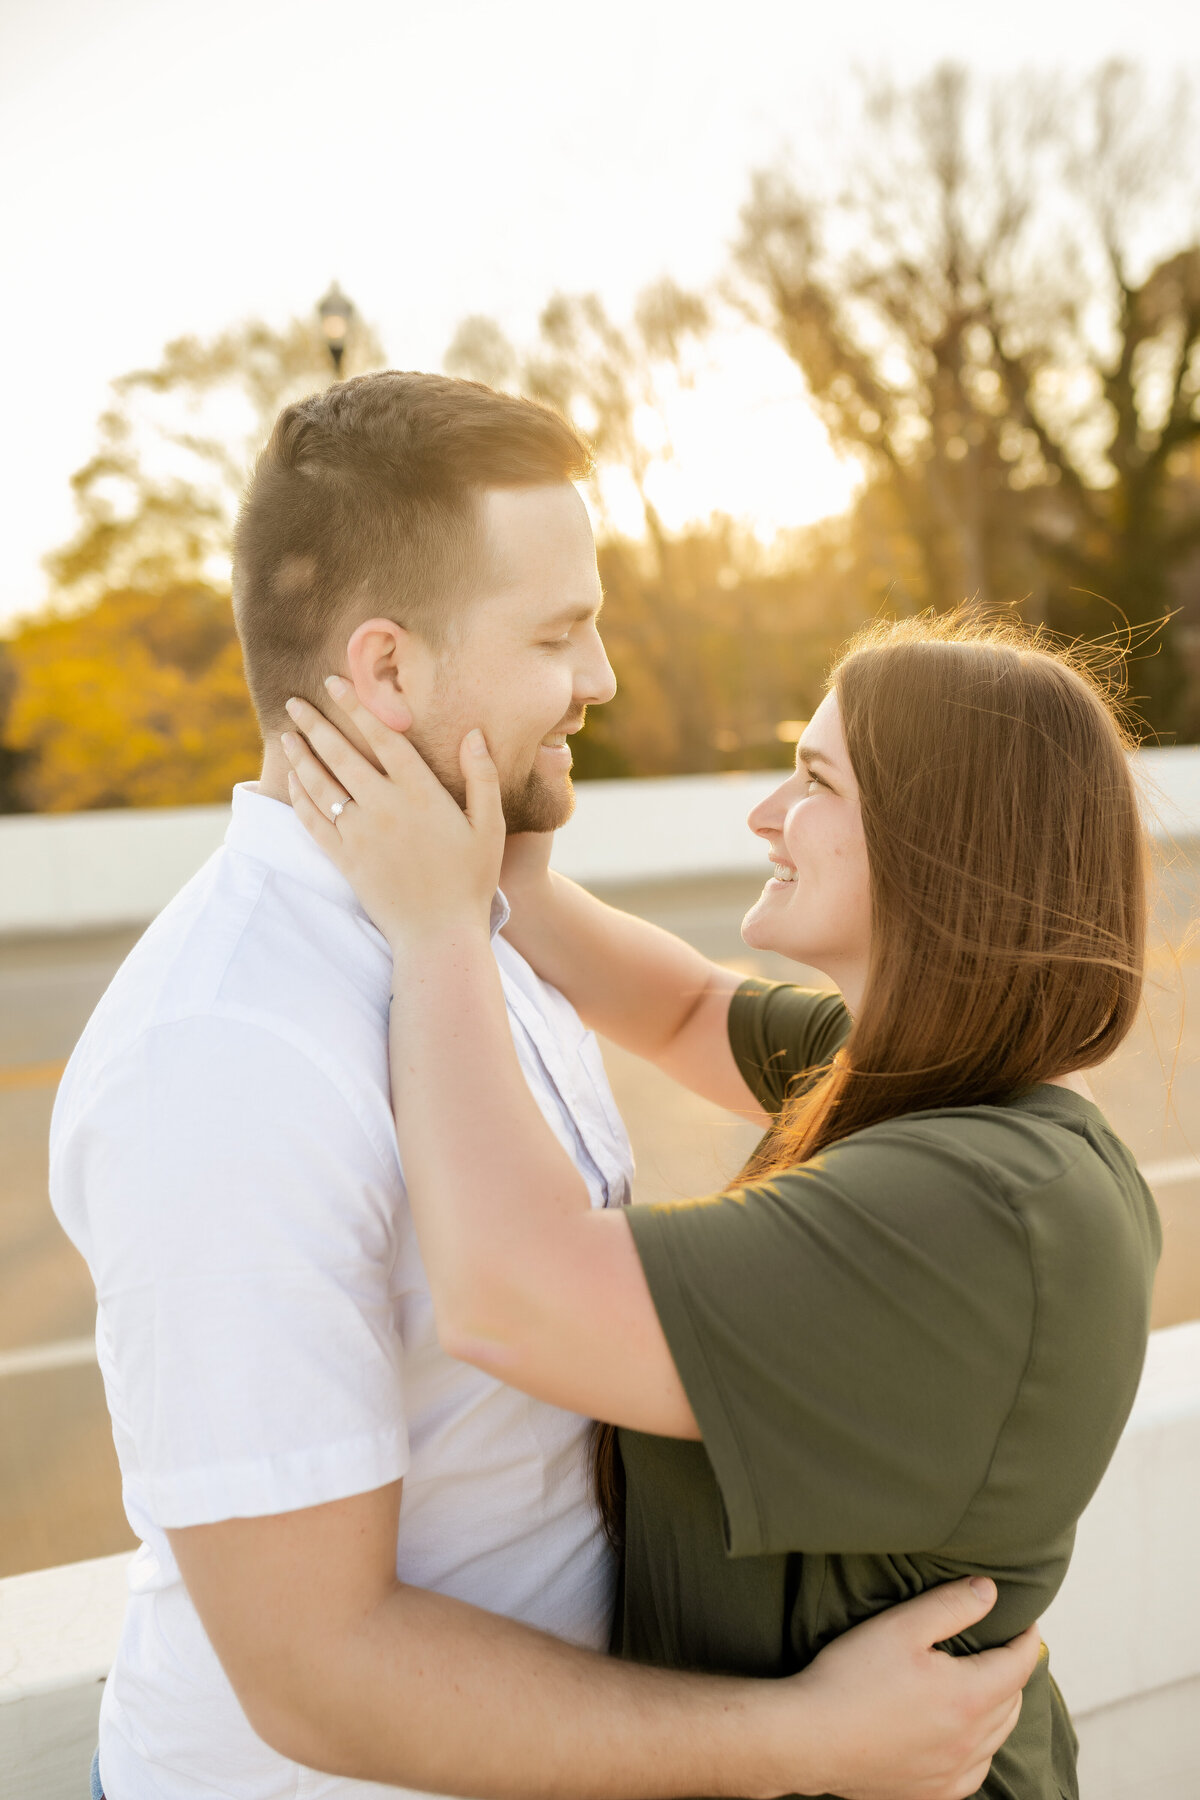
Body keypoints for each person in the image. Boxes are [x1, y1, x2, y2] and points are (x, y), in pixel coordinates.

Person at [50, 373, 1036, 1800]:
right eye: (559, 635)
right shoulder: (226, 1055)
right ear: (386, 673)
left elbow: (693, 1012)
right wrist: (804, 1741)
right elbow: (316, 1674)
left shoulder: (460, 916)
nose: (603, 681)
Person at [281, 610, 1161, 1800]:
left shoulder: (983, 1210)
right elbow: (693, 1009)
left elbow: (510, 1295)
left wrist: (437, 927)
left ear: (938, 838)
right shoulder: (921, 1084)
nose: (763, 815)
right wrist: (512, 857)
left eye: (812, 780)